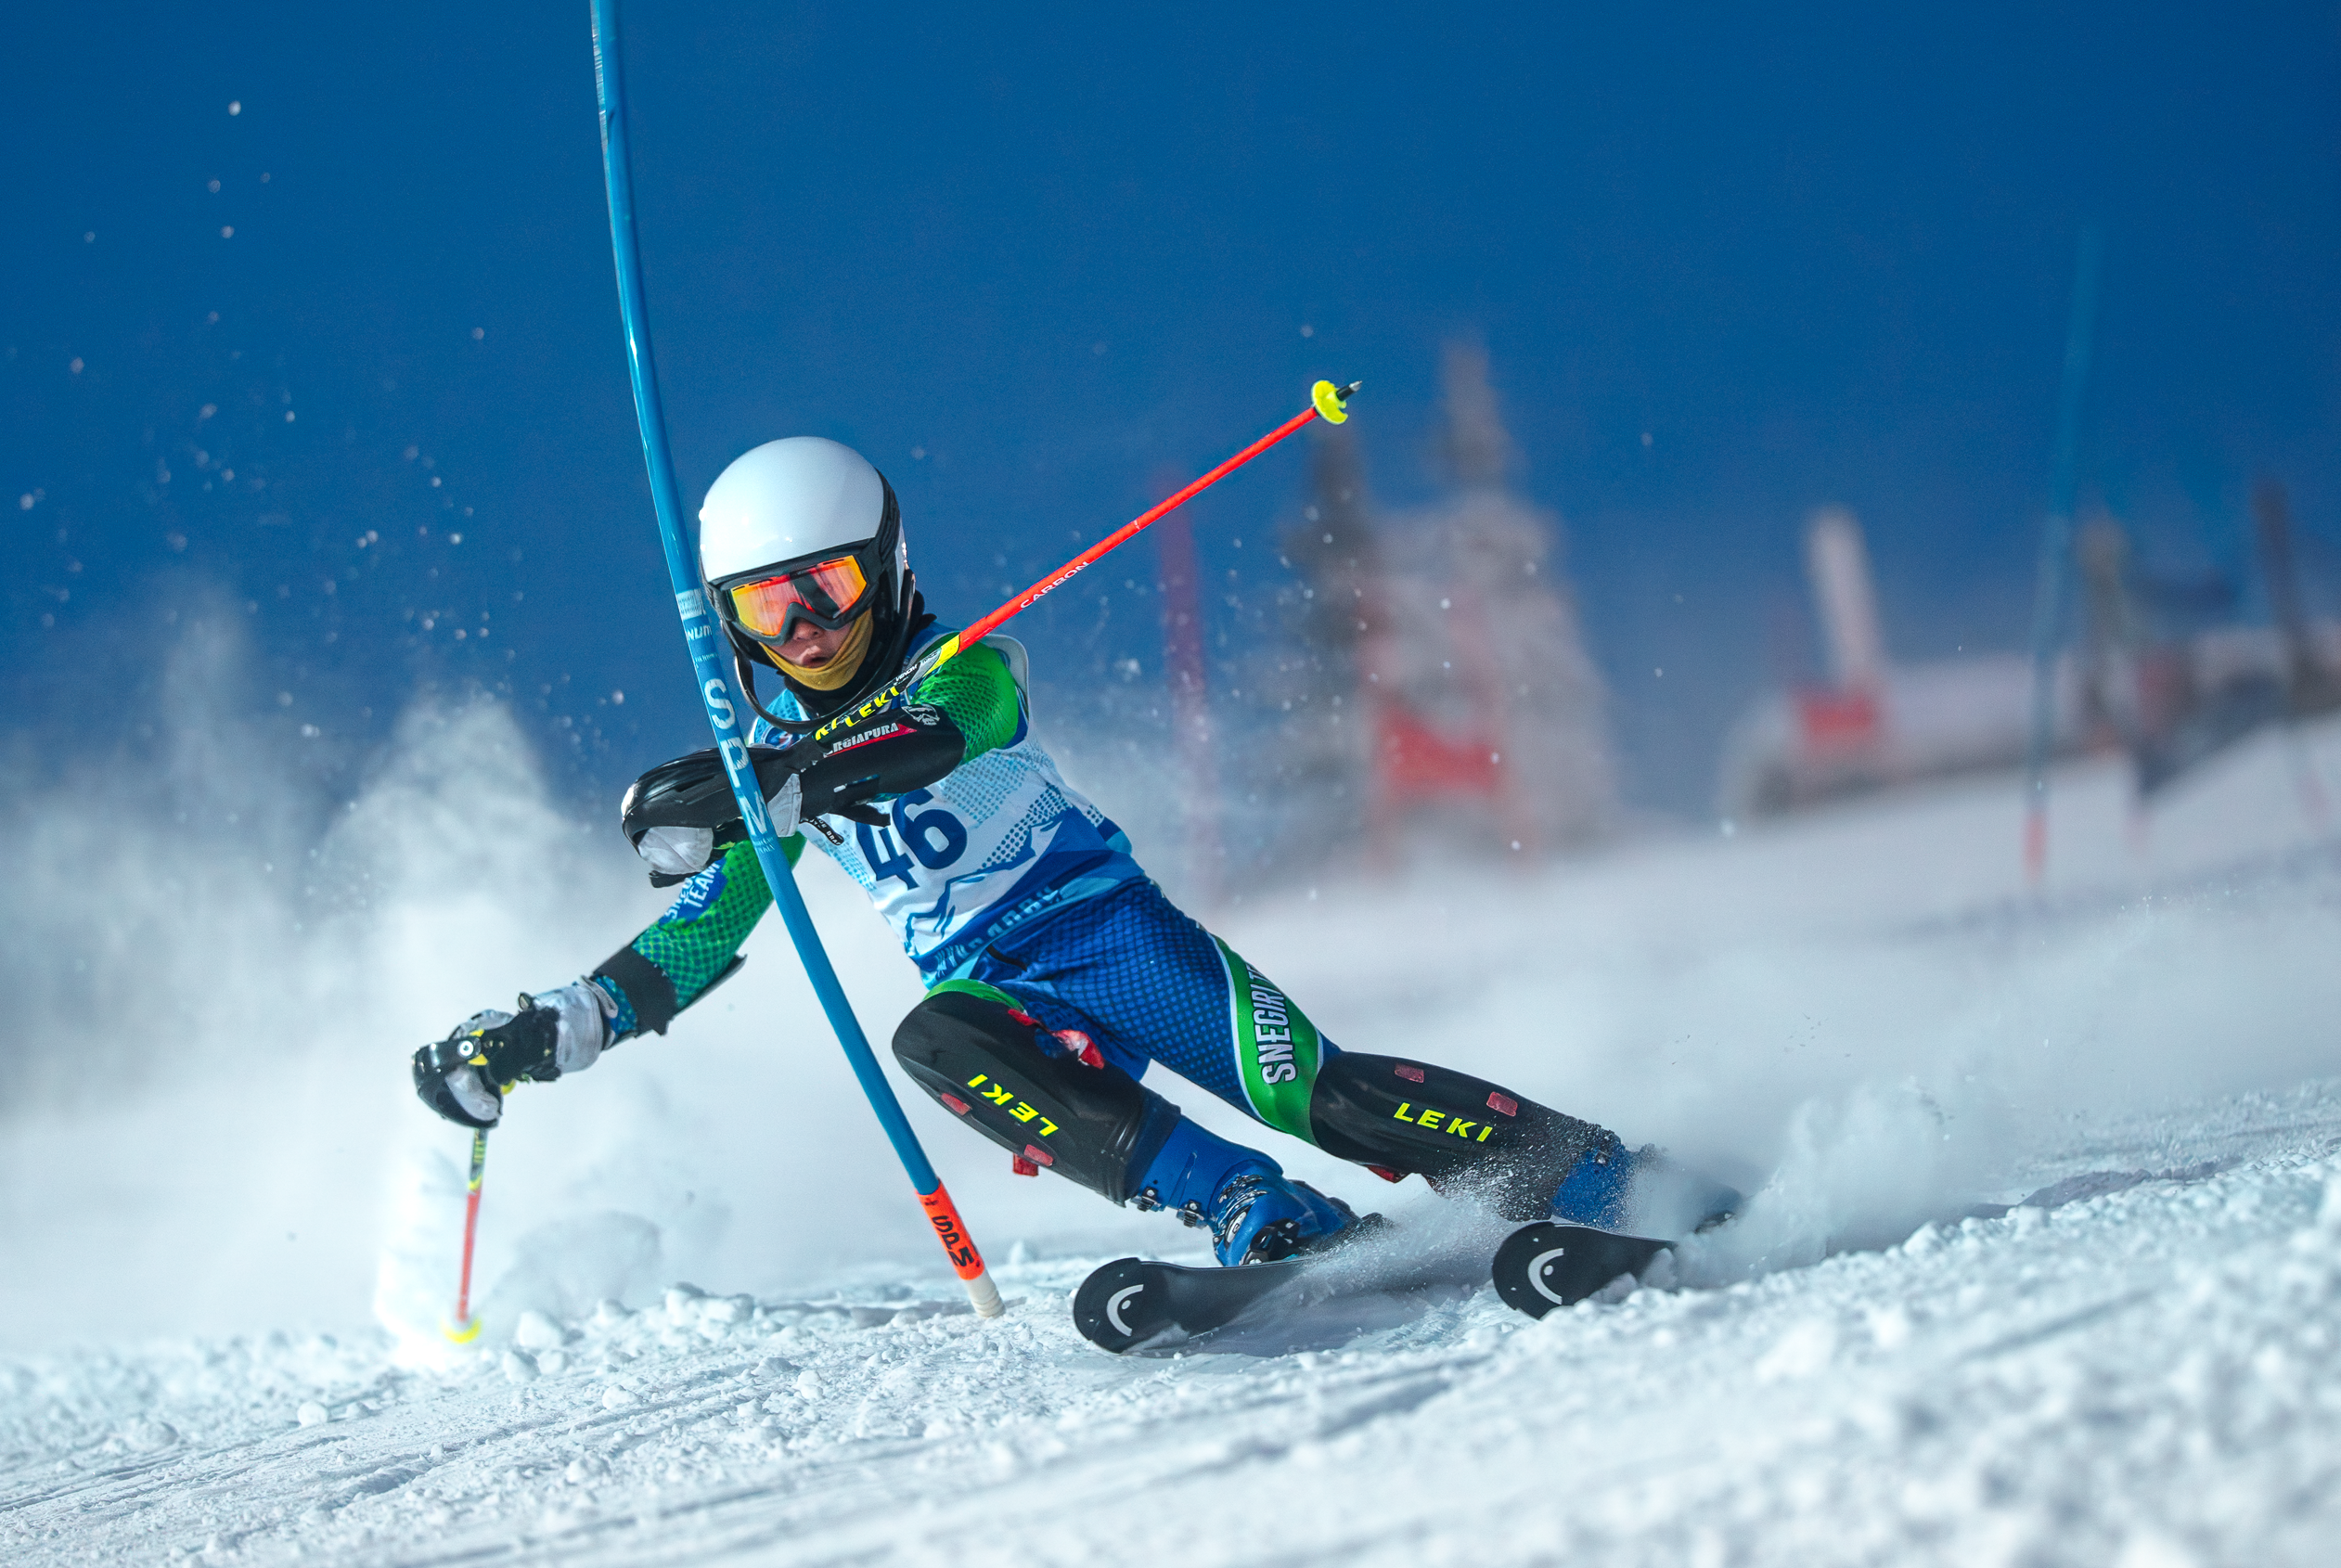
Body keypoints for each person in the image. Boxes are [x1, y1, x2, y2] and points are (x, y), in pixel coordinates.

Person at [412, 437, 1736, 1266]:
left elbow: (944, 735)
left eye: (830, 586)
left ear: (887, 568)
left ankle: (1601, 1173)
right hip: (1001, 991)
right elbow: (702, 930)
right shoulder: (777, 772)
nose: (806, 627)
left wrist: (778, 776)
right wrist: (553, 1027)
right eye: (768, 606)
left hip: (1111, 936)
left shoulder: (963, 665)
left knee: (1318, 1094)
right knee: (935, 1035)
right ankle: (1254, 1210)